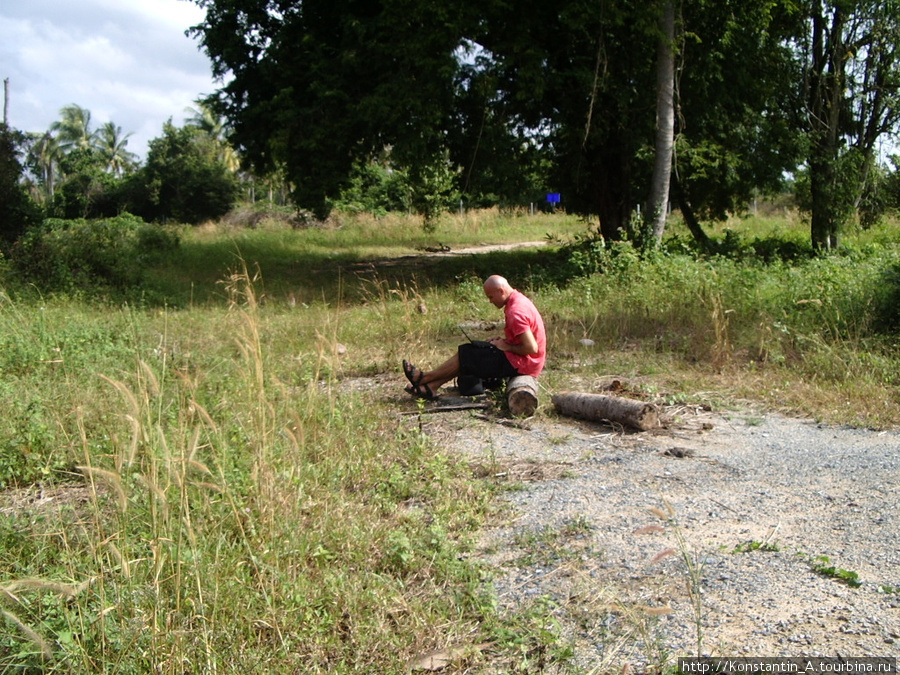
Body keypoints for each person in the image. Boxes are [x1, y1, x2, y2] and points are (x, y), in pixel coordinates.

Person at [402, 275, 546, 399]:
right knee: (471, 353)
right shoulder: (517, 300)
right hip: (523, 360)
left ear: (501, 291)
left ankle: (425, 378)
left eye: (491, 297)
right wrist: (502, 342)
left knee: (469, 355)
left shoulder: (516, 312)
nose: (490, 301)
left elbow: (531, 348)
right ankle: (430, 387)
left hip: (525, 364)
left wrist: (506, 346)